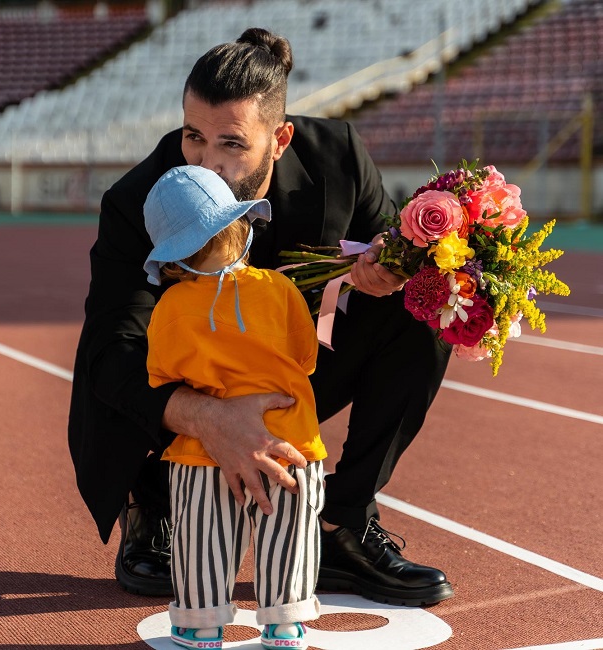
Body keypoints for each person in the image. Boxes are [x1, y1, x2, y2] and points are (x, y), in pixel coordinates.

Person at [68, 26, 454, 608]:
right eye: (193, 136)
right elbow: (112, 351)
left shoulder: (340, 160)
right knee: (116, 351)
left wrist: (384, 272)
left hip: (281, 371)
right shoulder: (139, 199)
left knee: (420, 309)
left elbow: (389, 248)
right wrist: (207, 417)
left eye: (232, 144)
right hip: (186, 378)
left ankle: (341, 525)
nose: (205, 161)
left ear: (280, 140)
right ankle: (152, 498)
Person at [143, 164, 326, 649]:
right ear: (241, 227)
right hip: (291, 440)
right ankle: (285, 622)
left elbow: (161, 375)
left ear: (174, 256)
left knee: (202, 539)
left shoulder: (171, 306)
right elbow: (306, 358)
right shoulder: (281, 289)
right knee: (289, 536)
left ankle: (200, 624)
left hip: (203, 450)